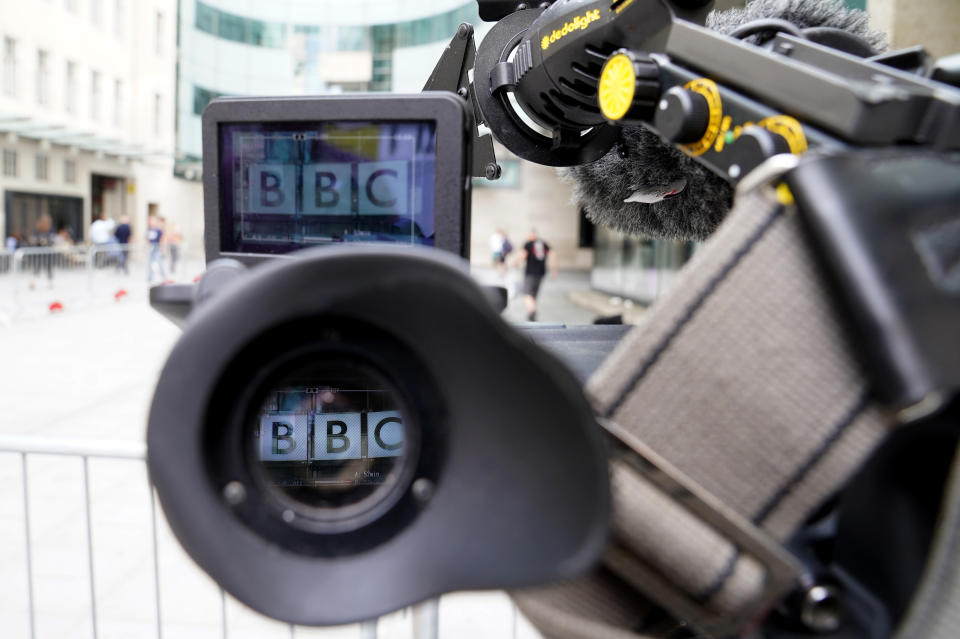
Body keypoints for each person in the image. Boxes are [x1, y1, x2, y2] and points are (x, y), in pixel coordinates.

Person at [515, 228, 557, 322]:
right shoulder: (543, 243)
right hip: (541, 272)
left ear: (531, 235)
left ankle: (532, 311)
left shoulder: (528, 244)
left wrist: (515, 263)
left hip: (530, 272)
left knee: (526, 293)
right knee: (533, 293)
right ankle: (532, 310)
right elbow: (553, 255)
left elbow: (523, 255)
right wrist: (554, 270)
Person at [29, 214, 57, 288]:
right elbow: (33, 240)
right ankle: (33, 282)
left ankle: (50, 283)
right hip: (38, 254)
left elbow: (53, 239)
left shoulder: (51, 230)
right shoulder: (37, 231)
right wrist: (39, 241)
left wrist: (46, 241)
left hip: (48, 254)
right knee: (36, 268)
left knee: (49, 269)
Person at [146, 215, 166, 283]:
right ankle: (150, 277)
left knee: (159, 262)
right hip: (151, 247)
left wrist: (162, 248)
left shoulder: (158, 230)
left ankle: (163, 276)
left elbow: (162, 239)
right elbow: (147, 239)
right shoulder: (149, 229)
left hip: (157, 247)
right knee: (149, 263)